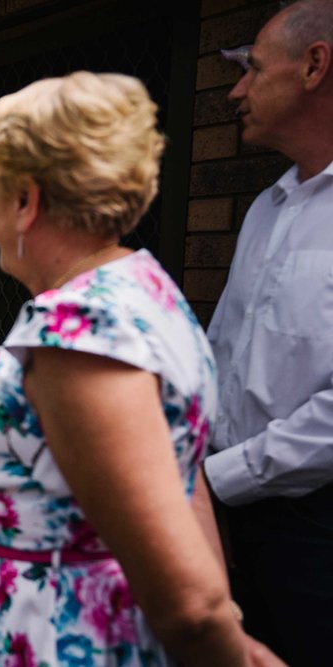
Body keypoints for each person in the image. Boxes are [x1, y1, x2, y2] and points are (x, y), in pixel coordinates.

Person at [0, 72, 281, 666]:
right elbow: (181, 484)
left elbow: (192, 609)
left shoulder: (78, 339)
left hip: (52, 642)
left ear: (25, 201)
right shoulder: (145, 289)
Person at [204, 1, 333, 664]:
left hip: (314, 536)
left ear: (315, 65)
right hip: (229, 512)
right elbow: (221, 347)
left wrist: (223, 476)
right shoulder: (266, 207)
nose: (236, 89)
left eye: (253, 69)